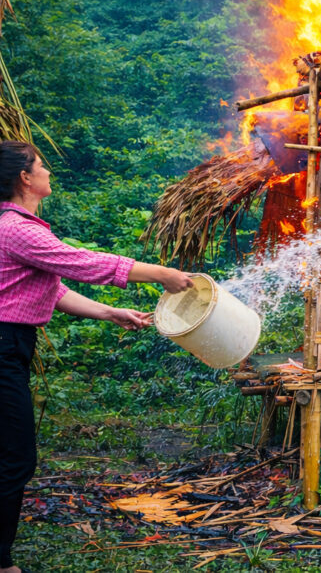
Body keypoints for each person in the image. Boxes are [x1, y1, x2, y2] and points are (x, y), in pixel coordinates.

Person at [0, 140, 193, 573]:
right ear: (25, 178)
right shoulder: (17, 229)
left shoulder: (15, 228)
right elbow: (83, 262)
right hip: (4, 346)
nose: (48, 171)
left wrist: (109, 312)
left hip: (11, 345)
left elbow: (53, 289)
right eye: (41, 165)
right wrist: (161, 273)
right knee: (16, 457)